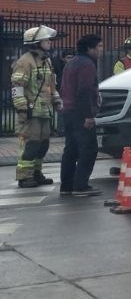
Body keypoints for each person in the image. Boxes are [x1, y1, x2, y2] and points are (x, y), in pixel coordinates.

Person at [11, 25, 63, 188]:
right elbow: (17, 87)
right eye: (46, 40)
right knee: (31, 144)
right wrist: (22, 108)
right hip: (30, 112)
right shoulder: (25, 62)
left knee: (43, 143)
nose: (49, 43)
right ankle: (24, 177)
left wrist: (56, 100)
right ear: (36, 43)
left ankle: (36, 173)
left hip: (44, 111)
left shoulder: (46, 61)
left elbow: (51, 85)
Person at [59, 34, 103, 197]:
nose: (101, 50)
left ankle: (67, 185)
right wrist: (88, 116)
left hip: (68, 110)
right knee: (89, 148)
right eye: (99, 46)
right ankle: (81, 185)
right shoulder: (87, 65)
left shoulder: (71, 63)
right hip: (80, 112)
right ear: (89, 49)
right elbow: (84, 90)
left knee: (71, 149)